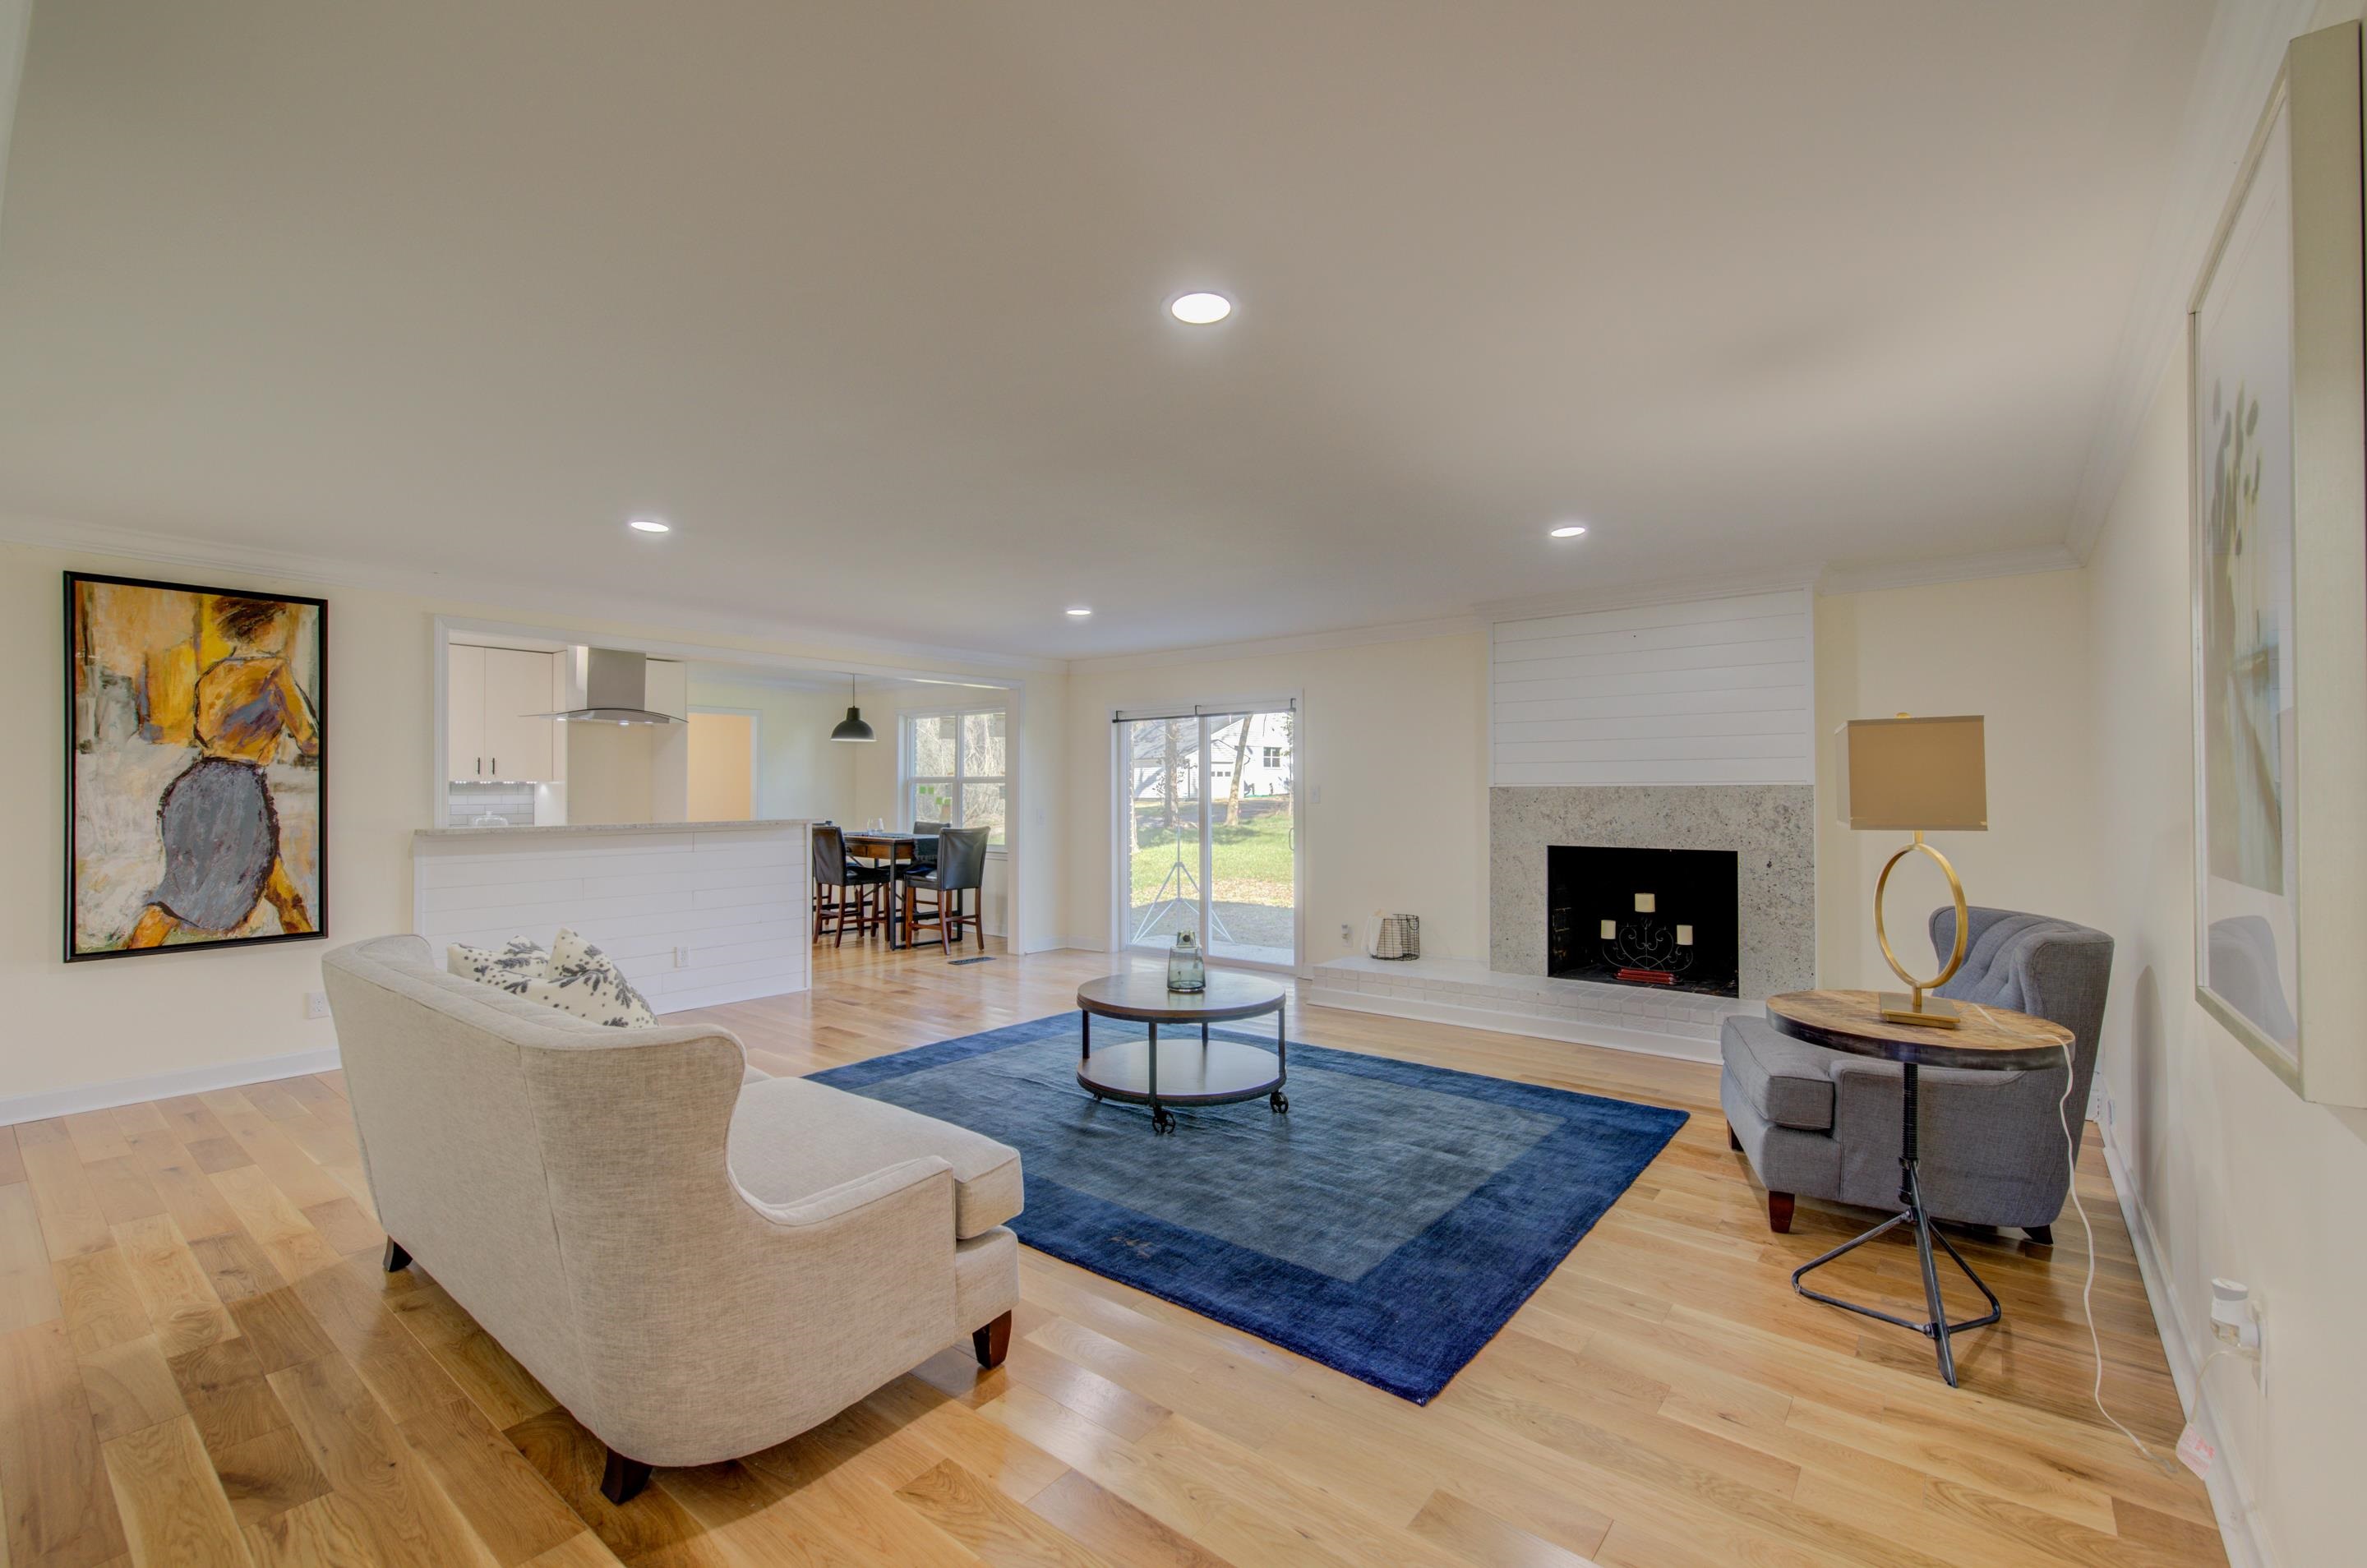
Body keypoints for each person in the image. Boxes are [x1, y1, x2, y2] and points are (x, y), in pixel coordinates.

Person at [126, 597, 321, 947]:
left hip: (195, 788)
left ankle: (312, 962)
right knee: (180, 901)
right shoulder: (275, 670)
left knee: (279, 895)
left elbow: (204, 733)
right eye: (278, 620)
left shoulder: (212, 676)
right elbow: (310, 740)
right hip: (237, 795)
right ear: (264, 625)